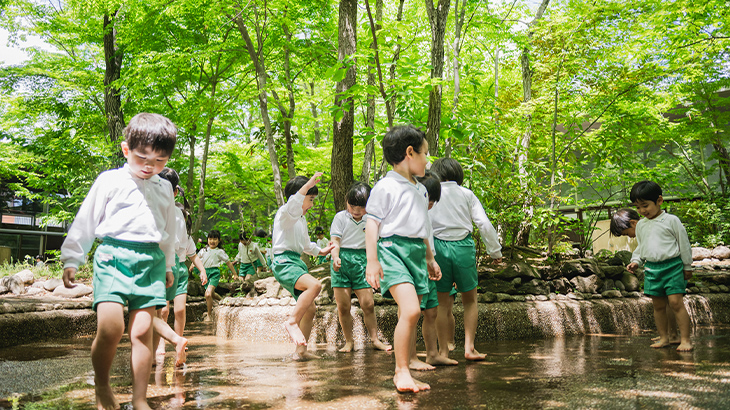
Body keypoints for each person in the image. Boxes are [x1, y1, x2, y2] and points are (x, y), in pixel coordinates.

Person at [60, 112, 178, 410]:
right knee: (111, 328)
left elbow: (168, 232)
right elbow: (86, 219)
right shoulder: (110, 180)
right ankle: (102, 385)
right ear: (126, 150)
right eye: (142, 158)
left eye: (160, 161)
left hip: (150, 262)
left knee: (141, 332)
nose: (150, 167)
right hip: (113, 257)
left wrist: (167, 266)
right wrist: (73, 257)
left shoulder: (164, 188)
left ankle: (140, 399)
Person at [365, 125, 441, 393]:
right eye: (425, 153)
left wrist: (430, 258)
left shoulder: (420, 190)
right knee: (411, 310)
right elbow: (372, 223)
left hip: (416, 254)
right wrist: (372, 260)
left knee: (408, 312)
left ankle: (407, 364)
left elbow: (422, 229)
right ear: (410, 152)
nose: (427, 159)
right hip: (392, 251)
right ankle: (400, 372)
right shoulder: (385, 186)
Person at [429, 157, 502, 362]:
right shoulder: (467, 194)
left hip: (438, 249)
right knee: (470, 301)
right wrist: (494, 251)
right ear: (458, 174)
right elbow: (484, 224)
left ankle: (443, 352)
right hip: (463, 247)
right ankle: (469, 348)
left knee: (442, 304)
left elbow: (423, 224)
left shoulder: (430, 193)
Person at [271, 173, 334, 360]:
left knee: (311, 310)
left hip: (296, 262)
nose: (312, 204)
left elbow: (306, 245)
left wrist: (322, 251)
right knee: (315, 285)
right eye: (310, 199)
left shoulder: (301, 219)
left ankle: (300, 352)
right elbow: (293, 205)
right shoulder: (285, 213)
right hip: (284, 262)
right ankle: (292, 322)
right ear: (297, 198)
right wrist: (306, 186)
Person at [625, 181, 693, 352]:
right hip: (652, 269)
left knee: (676, 303)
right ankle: (664, 337)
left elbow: (683, 244)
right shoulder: (641, 225)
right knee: (658, 306)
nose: (642, 211)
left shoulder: (671, 220)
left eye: (645, 205)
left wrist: (687, 266)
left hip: (673, 267)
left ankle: (685, 339)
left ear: (659, 200)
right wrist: (636, 261)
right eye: (638, 207)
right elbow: (641, 247)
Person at [152, 168, 205, 367]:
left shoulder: (175, 215)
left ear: (175, 193)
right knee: (161, 311)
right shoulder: (164, 211)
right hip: (167, 262)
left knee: (161, 311)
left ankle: (173, 342)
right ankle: (162, 346)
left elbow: (187, 249)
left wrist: (201, 269)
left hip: (171, 264)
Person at [330, 182, 392, 353]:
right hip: (342, 260)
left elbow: (376, 242)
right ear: (346, 202)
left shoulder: (372, 219)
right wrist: (335, 257)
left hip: (363, 259)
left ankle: (374, 339)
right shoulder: (340, 217)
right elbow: (335, 241)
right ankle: (349, 341)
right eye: (352, 206)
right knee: (343, 306)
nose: (356, 210)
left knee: (368, 304)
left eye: (361, 207)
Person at [611, 208, 680, 344]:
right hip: (658, 270)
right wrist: (636, 261)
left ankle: (673, 334)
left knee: (670, 305)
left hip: (669, 268)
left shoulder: (653, 226)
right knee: (664, 305)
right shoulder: (645, 228)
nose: (629, 237)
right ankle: (667, 334)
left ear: (633, 223)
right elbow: (641, 248)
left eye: (627, 233)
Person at [411, 170, 458, 369]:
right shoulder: (410, 210)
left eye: (433, 201)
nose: (431, 204)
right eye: (430, 199)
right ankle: (410, 357)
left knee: (431, 311)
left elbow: (427, 239)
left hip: (428, 264)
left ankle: (432, 354)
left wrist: (432, 261)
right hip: (413, 264)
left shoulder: (426, 214)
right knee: (411, 312)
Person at [191, 230, 237, 322]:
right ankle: (223, 300)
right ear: (207, 239)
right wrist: (192, 266)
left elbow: (229, 263)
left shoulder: (220, 251)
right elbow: (196, 258)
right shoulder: (204, 250)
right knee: (211, 294)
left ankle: (209, 315)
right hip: (204, 274)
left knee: (207, 294)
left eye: (215, 239)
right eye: (210, 238)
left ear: (219, 240)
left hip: (214, 273)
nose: (212, 241)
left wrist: (235, 274)